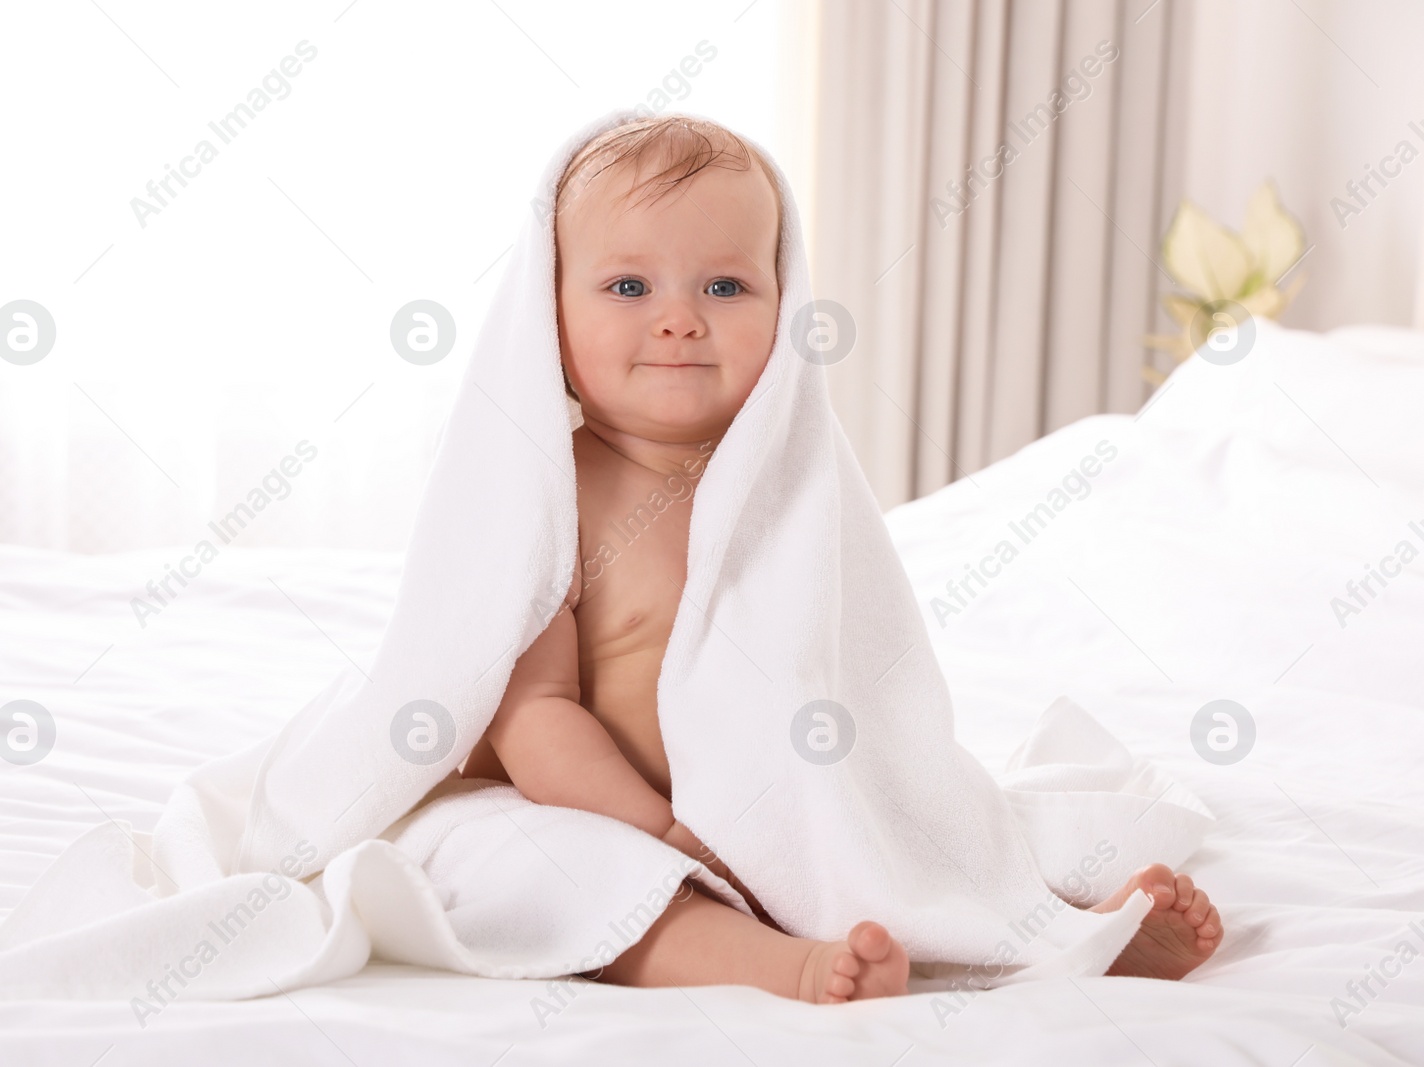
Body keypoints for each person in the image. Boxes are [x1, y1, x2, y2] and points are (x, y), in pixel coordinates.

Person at [461, 115, 1221, 1003]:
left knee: (925, 821)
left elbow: (853, 663)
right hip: (590, 806)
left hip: (773, 800)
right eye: (628, 285)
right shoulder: (550, 493)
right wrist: (661, 834)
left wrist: (871, 784)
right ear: (547, 313)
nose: (679, 320)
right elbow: (533, 716)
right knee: (585, 887)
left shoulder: (793, 479)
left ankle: (1065, 931)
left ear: (785, 305)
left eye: (725, 285)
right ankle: (789, 966)